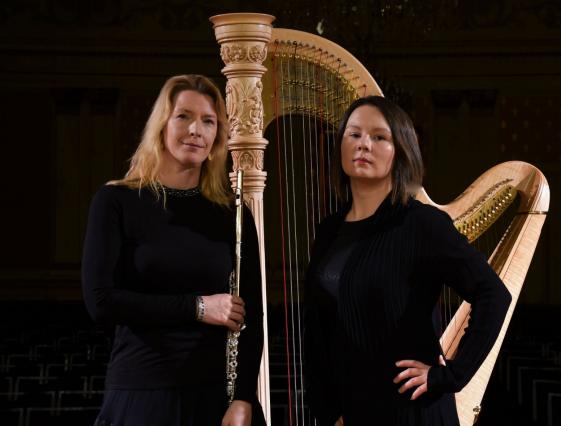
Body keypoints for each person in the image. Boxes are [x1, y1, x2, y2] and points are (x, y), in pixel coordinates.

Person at [303, 96, 512, 426]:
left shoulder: (421, 224)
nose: (363, 144)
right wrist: (329, 411)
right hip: (351, 413)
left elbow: (494, 295)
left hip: (411, 412)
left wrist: (450, 376)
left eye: (379, 137)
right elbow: (318, 331)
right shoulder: (329, 231)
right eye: (353, 134)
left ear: (401, 150)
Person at [82, 74, 265, 426]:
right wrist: (198, 307)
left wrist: (243, 398)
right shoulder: (115, 201)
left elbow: (251, 316)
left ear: (217, 136)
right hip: (142, 393)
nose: (196, 130)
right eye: (184, 116)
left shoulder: (232, 213)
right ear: (161, 125)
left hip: (215, 397)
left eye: (208, 121)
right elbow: (100, 302)